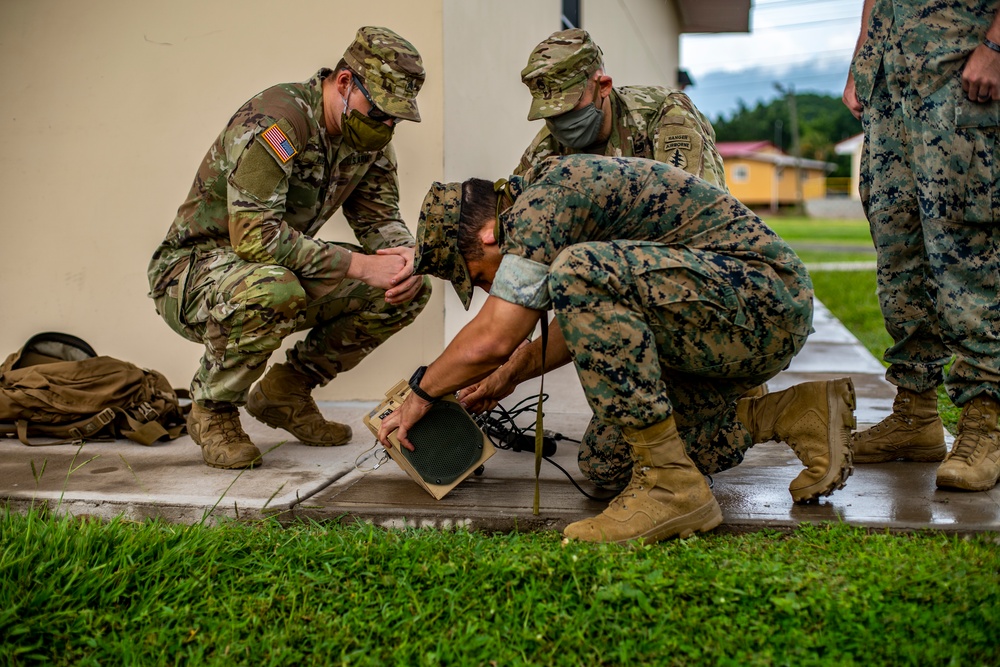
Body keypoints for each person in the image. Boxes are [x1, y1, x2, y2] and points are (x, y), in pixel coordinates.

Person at [377, 154, 857, 544]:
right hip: (721, 316)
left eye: (481, 276)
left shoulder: (547, 200)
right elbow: (586, 317)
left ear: (485, 235)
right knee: (606, 461)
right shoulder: (548, 209)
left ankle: (672, 484)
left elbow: (494, 337)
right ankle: (795, 413)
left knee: (577, 270)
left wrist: (422, 393)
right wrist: (508, 376)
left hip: (766, 302)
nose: (490, 291)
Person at [461, 28, 734, 491]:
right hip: (632, 305)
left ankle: (754, 403)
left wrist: (513, 367)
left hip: (694, 296)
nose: (561, 125)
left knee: (704, 445)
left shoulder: (665, 121)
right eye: (551, 116)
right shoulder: (548, 152)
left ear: (602, 87)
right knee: (606, 466)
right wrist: (491, 366)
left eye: (569, 110)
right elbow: (522, 258)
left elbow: (690, 245)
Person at [148, 27, 431, 470]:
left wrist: (406, 258)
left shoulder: (367, 140)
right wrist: (358, 265)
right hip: (190, 273)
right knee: (274, 288)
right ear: (343, 84)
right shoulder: (277, 122)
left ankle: (287, 389)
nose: (387, 126)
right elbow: (255, 236)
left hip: (273, 267)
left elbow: (379, 220)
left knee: (404, 287)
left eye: (396, 118)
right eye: (379, 112)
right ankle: (213, 410)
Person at [843, 0, 1000, 491]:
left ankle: (986, 421)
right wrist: (862, 59)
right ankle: (916, 414)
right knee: (899, 251)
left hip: (960, 74)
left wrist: (996, 45)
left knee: (966, 251)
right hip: (889, 83)